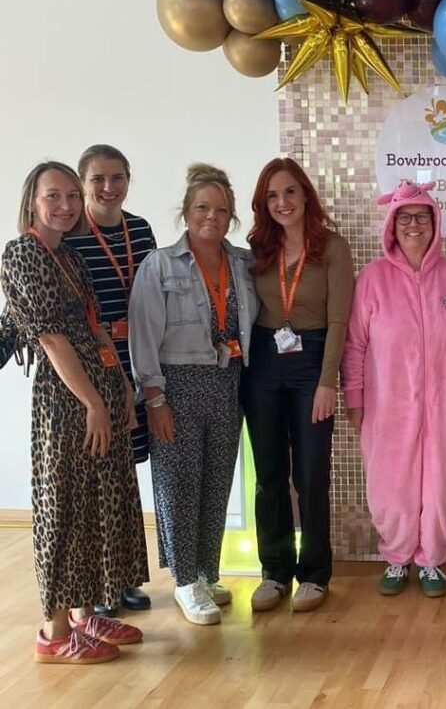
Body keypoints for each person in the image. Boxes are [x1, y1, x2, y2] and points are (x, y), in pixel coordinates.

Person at [1, 162, 147, 664]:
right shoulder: (23, 255)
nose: (64, 206)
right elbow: (51, 338)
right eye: (52, 196)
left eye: (69, 196)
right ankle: (54, 631)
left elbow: (96, 324)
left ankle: (86, 614)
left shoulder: (69, 255)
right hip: (66, 402)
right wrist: (92, 404)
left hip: (100, 388)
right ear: (32, 201)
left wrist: (123, 389)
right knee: (63, 508)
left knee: (96, 504)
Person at [129, 164, 259, 626]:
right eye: (202, 207)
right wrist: (155, 399)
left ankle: (206, 571)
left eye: (222, 210)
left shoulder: (243, 263)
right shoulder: (160, 265)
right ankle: (185, 581)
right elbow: (142, 338)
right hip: (177, 387)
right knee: (177, 486)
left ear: (232, 218)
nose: (212, 217)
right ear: (185, 213)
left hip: (229, 383)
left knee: (216, 483)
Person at [343, 180, 446, 597]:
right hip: (386, 406)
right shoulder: (372, 278)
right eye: (405, 217)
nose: (414, 225)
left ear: (436, 223)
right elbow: (355, 345)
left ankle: (432, 561)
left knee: (440, 485)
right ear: (392, 225)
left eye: (423, 216)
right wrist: (354, 398)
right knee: (391, 485)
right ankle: (396, 557)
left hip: (445, 405)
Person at [242, 158, 354, 613]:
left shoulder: (333, 247)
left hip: (312, 361)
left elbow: (339, 318)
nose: (282, 202)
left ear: (305, 194)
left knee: (310, 474)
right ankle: (274, 571)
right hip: (264, 362)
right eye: (272, 195)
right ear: (262, 204)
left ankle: (314, 574)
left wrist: (328, 381)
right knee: (269, 475)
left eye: (289, 192)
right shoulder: (256, 250)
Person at [64, 144, 158, 615]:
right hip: (94, 365)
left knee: (124, 474)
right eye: (98, 178)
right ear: (84, 183)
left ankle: (121, 579)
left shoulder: (139, 230)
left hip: (138, 358)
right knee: (97, 475)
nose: (108, 187)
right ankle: (97, 586)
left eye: (117, 177)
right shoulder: (69, 238)